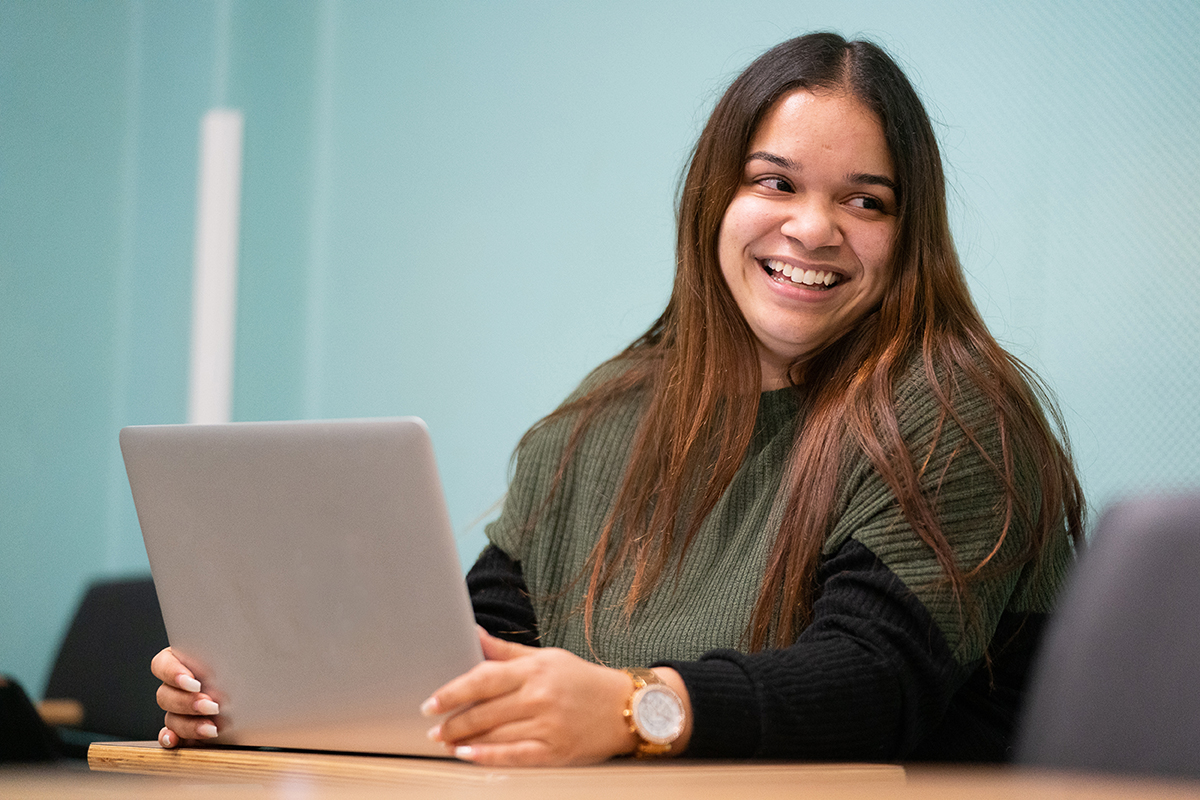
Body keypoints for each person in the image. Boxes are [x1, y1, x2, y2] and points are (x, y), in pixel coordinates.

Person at [151, 32, 1084, 766]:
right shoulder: (607, 417)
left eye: (866, 201)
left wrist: (635, 707)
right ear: (715, 199)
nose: (813, 227)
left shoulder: (955, 412)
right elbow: (472, 656)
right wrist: (260, 699)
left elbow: (872, 684)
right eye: (776, 182)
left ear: (908, 232)